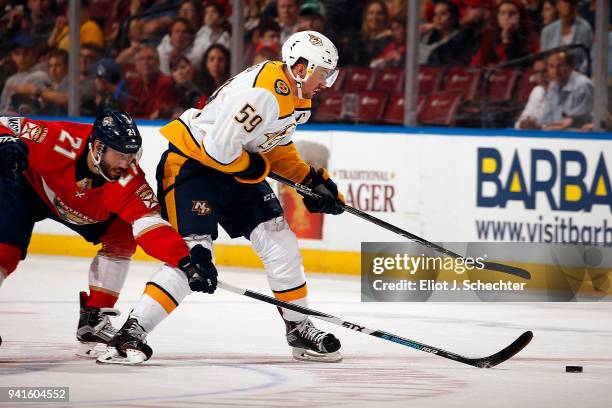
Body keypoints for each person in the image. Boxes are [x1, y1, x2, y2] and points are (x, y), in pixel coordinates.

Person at [99, 30, 345, 365]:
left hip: (234, 166)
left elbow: (274, 145)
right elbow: (218, 149)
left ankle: (298, 326)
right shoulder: (266, 94)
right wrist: (253, 165)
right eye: (323, 74)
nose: (326, 82)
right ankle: (131, 331)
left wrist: (310, 180)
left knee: (279, 240)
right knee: (194, 256)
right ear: (300, 68)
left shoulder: (295, 94)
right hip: (194, 167)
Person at [0, 111, 217, 360]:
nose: (126, 162)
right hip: (25, 187)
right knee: (6, 251)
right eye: (121, 154)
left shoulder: (129, 180)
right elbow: (4, 123)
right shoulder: (58, 138)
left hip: (82, 208)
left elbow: (150, 226)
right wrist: (5, 141)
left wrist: (186, 261)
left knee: (122, 234)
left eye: (131, 154)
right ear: (99, 146)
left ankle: (94, 318)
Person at [540, 50, 593, 130]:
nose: (556, 71)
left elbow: (573, 122)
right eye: (552, 66)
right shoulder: (552, 86)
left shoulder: (582, 85)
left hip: (583, 138)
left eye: (560, 66)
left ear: (571, 66)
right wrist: (537, 126)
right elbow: (546, 120)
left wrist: (549, 127)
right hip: (558, 136)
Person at [0, 35, 49, 114]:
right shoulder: (11, 80)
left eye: (26, 53)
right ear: (12, 56)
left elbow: (35, 110)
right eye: (17, 53)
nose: (21, 58)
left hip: (31, 123)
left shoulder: (40, 75)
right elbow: (2, 107)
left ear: (34, 55)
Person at [540, 0, 592, 74]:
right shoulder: (547, 32)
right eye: (566, 1)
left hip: (577, 79)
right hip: (553, 79)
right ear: (558, 4)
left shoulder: (585, 28)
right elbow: (544, 61)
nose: (569, 5)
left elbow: (586, 61)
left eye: (572, 2)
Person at [124, 45, 176, 119]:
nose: (145, 62)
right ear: (136, 65)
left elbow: (158, 115)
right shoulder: (134, 83)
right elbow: (128, 114)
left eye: (150, 59)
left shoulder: (165, 82)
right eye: (141, 59)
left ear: (158, 63)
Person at [514, 58, 548, 129]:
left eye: (543, 71)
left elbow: (561, 125)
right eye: (536, 72)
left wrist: (539, 127)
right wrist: (522, 124)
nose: (540, 75)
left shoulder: (561, 92)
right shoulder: (537, 90)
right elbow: (522, 119)